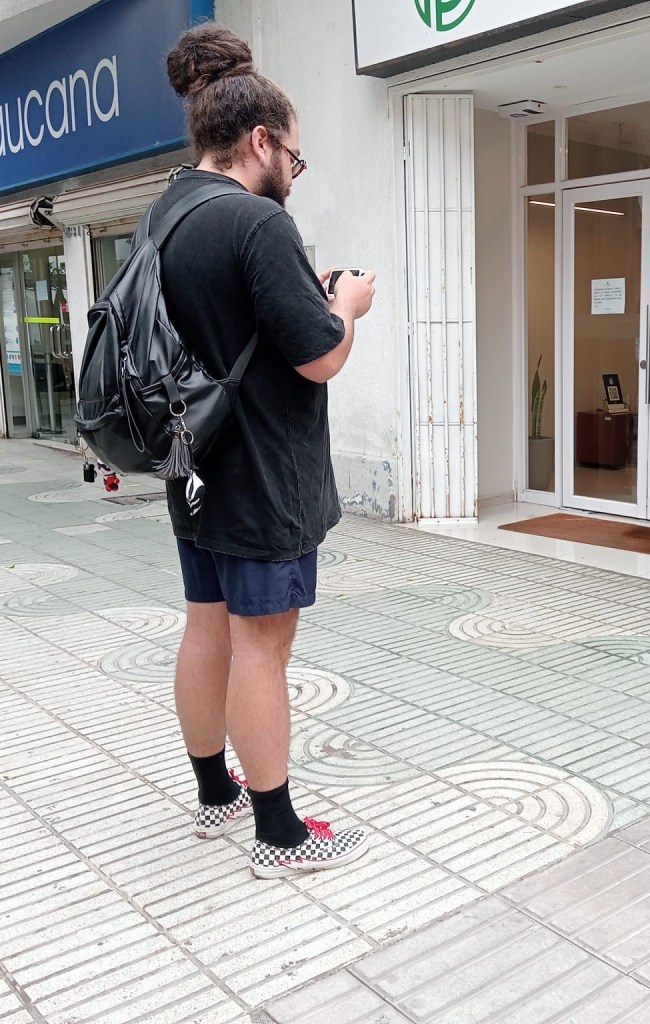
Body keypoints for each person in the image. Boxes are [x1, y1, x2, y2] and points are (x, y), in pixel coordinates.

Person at [157, 24, 376, 878]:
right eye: (296, 153)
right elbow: (318, 354)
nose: (294, 168)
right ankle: (280, 834)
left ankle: (217, 794)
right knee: (262, 645)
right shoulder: (255, 221)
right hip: (259, 467)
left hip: (193, 461)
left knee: (206, 625)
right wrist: (347, 304)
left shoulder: (167, 210)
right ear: (261, 140)